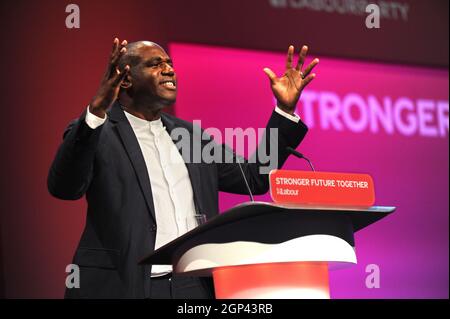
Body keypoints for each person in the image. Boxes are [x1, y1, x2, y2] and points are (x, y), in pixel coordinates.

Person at [48, 38, 318, 299]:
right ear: (126, 79)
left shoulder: (191, 137)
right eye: (155, 64)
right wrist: (96, 110)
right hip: (126, 284)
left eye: (169, 63)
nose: (169, 69)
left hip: (194, 287)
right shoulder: (97, 131)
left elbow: (253, 177)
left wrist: (283, 109)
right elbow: (65, 188)